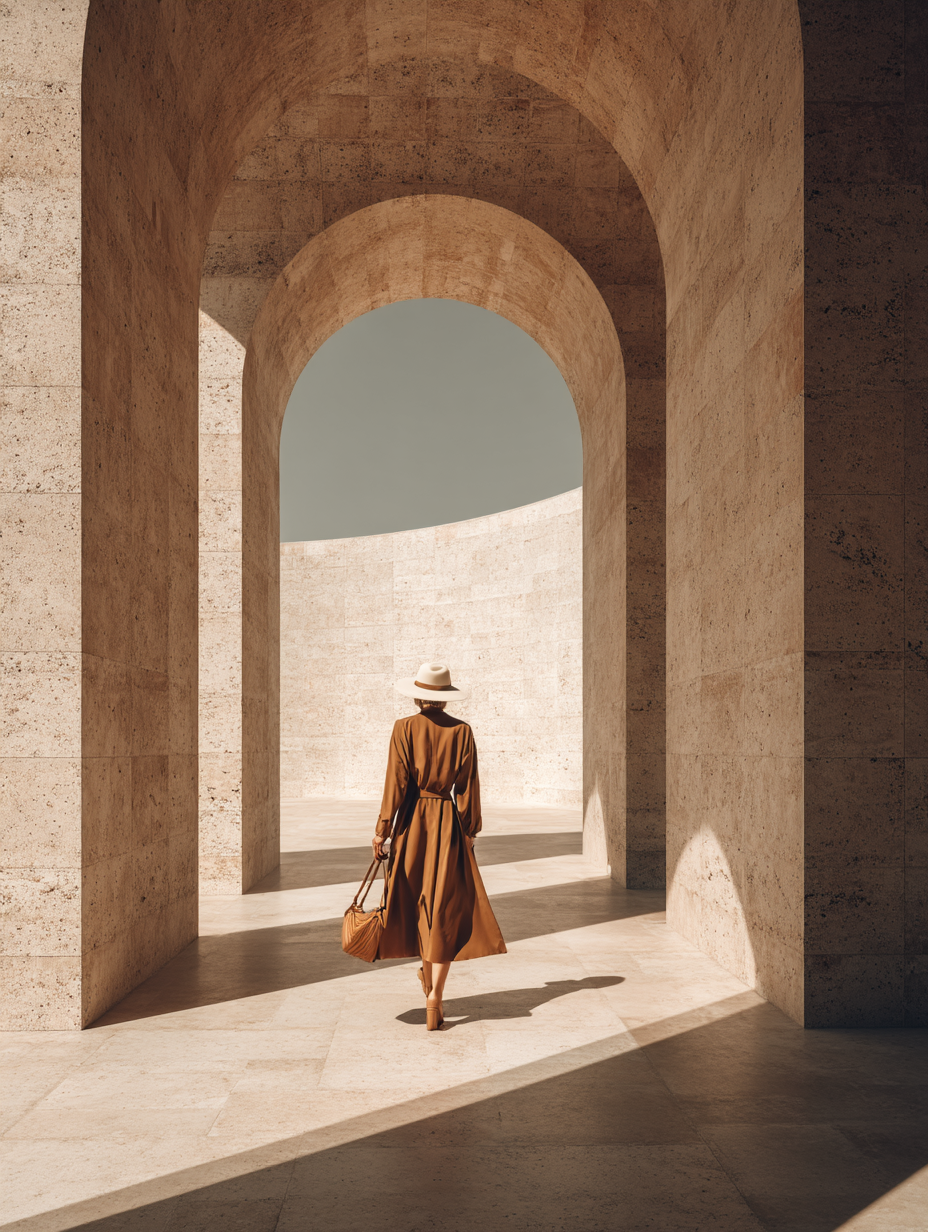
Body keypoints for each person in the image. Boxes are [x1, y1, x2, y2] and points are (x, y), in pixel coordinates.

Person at [373, 662, 506, 1030]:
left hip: (412, 823)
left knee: (416, 901)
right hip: (447, 823)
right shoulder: (463, 732)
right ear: (445, 697)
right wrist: (470, 830)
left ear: (418, 695)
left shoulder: (404, 728)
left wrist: (382, 830)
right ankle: (434, 996)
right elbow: (467, 787)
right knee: (444, 908)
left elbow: (396, 784)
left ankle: (428, 983)